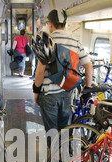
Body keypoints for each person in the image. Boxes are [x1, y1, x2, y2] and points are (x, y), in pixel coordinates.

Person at [33, 9, 93, 140]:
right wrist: (87, 90)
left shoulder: (46, 42)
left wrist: (36, 91)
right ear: (65, 24)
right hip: (67, 91)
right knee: (63, 127)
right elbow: (88, 66)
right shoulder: (76, 43)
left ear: (50, 24)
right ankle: (63, 156)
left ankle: (54, 158)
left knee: (51, 130)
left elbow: (40, 70)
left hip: (48, 93)